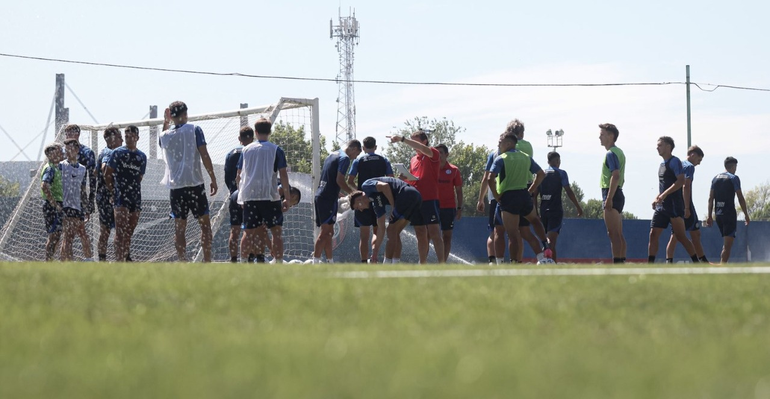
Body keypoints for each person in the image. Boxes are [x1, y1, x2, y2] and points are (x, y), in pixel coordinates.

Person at [160, 101, 219, 262]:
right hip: (195, 185)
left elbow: (162, 140)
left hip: (177, 188)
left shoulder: (165, 135)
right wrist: (213, 178)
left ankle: (182, 261)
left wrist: (165, 122)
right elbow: (204, 155)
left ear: (171, 116)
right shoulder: (194, 129)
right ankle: (207, 260)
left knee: (180, 229)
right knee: (205, 226)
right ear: (186, 114)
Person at [488, 132, 552, 264]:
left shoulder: (501, 158)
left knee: (512, 235)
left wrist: (496, 195)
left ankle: (512, 263)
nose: (498, 144)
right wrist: (530, 190)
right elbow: (541, 174)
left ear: (509, 143)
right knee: (534, 220)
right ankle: (545, 244)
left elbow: (489, 178)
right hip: (523, 195)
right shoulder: (526, 157)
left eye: (501, 142)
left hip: (508, 197)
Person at [236, 117, 292, 264]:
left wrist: (241, 197)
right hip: (270, 197)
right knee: (276, 232)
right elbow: (283, 175)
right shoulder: (276, 150)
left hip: (250, 197)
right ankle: (278, 262)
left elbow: (239, 176)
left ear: (255, 132)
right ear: (270, 132)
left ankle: (242, 262)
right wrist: (287, 197)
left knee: (248, 232)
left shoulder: (246, 150)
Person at [387, 130, 445, 264]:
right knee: (420, 232)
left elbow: (423, 149)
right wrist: (404, 178)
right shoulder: (413, 159)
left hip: (430, 199)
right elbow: (414, 179)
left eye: (415, 141)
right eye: (411, 141)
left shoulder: (432, 153)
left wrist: (402, 139)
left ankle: (442, 263)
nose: (413, 145)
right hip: (416, 200)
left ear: (424, 141)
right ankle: (422, 263)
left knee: (435, 232)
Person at [647, 136, 700, 263]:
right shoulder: (661, 165)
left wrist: (664, 195)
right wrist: (657, 198)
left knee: (681, 237)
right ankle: (649, 265)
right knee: (653, 234)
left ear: (668, 147)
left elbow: (681, 181)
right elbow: (663, 187)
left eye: (660, 145)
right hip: (662, 207)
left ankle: (696, 262)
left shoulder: (675, 161)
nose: (657, 147)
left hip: (674, 206)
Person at [349, 177, 423, 263]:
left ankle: (387, 263)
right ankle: (396, 263)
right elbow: (381, 228)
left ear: (359, 200)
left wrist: (393, 206)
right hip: (416, 196)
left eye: (358, 207)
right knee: (394, 232)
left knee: (391, 230)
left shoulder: (366, 186)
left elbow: (385, 186)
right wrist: (375, 252)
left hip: (406, 194)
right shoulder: (375, 204)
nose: (361, 210)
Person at [312, 140, 362, 264]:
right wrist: (352, 193)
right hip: (327, 198)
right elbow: (340, 180)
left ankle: (330, 262)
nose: (354, 158)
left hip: (322, 195)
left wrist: (339, 194)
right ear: (354, 149)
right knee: (325, 232)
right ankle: (315, 262)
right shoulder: (344, 158)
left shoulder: (332, 154)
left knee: (329, 232)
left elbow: (328, 179)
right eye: (356, 154)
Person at [347, 137, 393, 263]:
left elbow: (350, 181)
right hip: (379, 200)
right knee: (377, 232)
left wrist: (360, 192)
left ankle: (363, 263)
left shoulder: (358, 160)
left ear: (363, 148)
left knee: (364, 236)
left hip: (363, 201)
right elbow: (391, 178)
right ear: (376, 147)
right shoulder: (383, 160)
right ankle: (374, 257)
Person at [105, 125, 147, 262]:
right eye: (127, 135)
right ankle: (118, 260)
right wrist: (113, 191)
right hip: (120, 197)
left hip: (135, 197)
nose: (129, 138)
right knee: (120, 231)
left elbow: (139, 177)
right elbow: (107, 174)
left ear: (137, 138)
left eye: (132, 135)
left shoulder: (142, 156)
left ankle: (124, 257)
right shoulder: (117, 153)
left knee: (129, 232)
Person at [536, 151, 583, 263]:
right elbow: (568, 191)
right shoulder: (561, 173)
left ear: (548, 161)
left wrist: (535, 211)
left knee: (552, 243)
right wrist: (578, 207)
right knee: (550, 241)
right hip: (555, 211)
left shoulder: (541, 173)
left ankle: (552, 266)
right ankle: (545, 260)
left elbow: (534, 194)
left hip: (543, 211)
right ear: (557, 161)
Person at [665, 145, 708, 263]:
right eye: (699, 160)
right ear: (693, 155)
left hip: (674, 203)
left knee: (676, 234)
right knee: (695, 233)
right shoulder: (689, 166)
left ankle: (669, 261)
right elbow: (686, 185)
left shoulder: (678, 164)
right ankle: (702, 261)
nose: (698, 163)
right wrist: (687, 207)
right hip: (685, 202)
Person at [706, 157, 749, 263]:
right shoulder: (733, 178)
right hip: (729, 214)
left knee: (726, 244)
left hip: (718, 214)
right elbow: (740, 197)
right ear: (733, 166)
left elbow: (711, 198)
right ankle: (722, 267)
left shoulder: (715, 178)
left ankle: (721, 265)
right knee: (727, 246)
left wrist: (709, 215)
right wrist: (746, 214)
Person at [60, 139, 93, 262]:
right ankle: (67, 262)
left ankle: (88, 260)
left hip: (78, 207)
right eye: (66, 149)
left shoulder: (82, 169)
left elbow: (83, 189)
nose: (68, 152)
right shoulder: (61, 166)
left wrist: (86, 208)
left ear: (77, 150)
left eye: (71, 149)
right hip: (65, 206)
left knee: (82, 235)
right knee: (68, 236)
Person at [599, 123, 627, 263]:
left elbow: (615, 175)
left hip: (611, 193)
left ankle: (617, 264)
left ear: (611, 136)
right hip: (618, 192)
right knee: (618, 234)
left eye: (602, 134)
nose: (599, 137)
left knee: (613, 234)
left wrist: (609, 198)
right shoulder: (619, 152)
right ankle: (621, 262)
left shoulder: (610, 153)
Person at [224, 126, 253, 263]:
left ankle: (234, 259)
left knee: (234, 230)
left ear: (239, 139)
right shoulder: (253, 152)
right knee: (251, 230)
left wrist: (232, 190)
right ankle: (250, 258)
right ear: (252, 138)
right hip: (249, 196)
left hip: (234, 195)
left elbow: (227, 175)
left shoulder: (231, 153)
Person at [95, 127, 123, 262]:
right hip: (107, 197)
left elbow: (96, 173)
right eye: (119, 137)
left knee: (113, 230)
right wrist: (111, 190)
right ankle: (106, 259)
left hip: (106, 195)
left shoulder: (106, 152)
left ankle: (111, 259)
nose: (122, 140)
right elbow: (103, 169)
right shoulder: (109, 152)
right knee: (108, 230)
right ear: (111, 139)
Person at [477, 148, 507, 264]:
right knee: (496, 231)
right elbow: (486, 177)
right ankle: (493, 260)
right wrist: (481, 199)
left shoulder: (513, 153)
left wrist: (481, 200)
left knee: (500, 231)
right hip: (497, 197)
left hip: (500, 197)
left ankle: (497, 261)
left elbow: (486, 178)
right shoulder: (494, 154)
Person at [64, 124, 97, 221]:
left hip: (80, 193)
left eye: (70, 133)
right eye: (66, 133)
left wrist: (91, 199)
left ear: (77, 134)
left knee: (79, 226)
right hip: (64, 194)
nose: (67, 135)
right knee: (66, 227)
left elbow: (92, 177)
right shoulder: (62, 152)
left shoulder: (87, 152)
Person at [436, 144, 463, 262]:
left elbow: (458, 190)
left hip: (448, 208)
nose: (438, 155)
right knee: (428, 235)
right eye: (436, 153)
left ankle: (442, 263)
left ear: (446, 155)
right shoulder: (431, 168)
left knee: (446, 237)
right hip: (433, 206)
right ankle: (424, 262)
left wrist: (459, 208)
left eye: (440, 153)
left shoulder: (454, 170)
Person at [41, 143, 64, 261]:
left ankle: (52, 260)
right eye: (59, 150)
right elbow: (44, 185)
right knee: (53, 235)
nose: (62, 152)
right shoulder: (50, 168)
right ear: (51, 154)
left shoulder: (58, 167)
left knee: (57, 235)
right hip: (52, 206)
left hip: (58, 204)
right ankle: (48, 262)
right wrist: (54, 204)